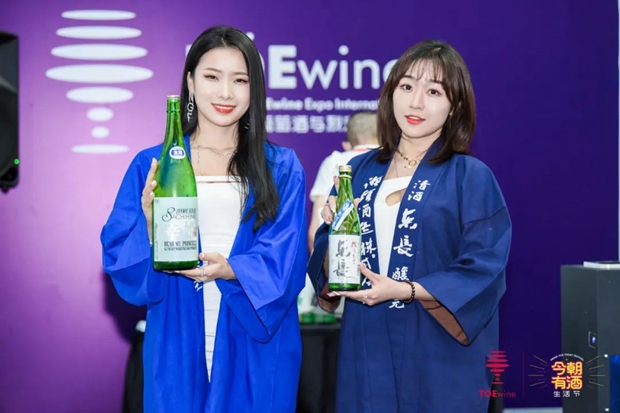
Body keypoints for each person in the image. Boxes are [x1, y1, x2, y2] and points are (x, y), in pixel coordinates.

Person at [101, 26, 307, 413]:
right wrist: (150, 227)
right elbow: (120, 259)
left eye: (240, 80)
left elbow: (288, 256)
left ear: (255, 89)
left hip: (256, 340)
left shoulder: (280, 167)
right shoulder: (154, 164)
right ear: (191, 82)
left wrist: (231, 269)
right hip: (175, 335)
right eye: (212, 77)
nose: (226, 92)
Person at [308, 39, 512, 413]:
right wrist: (335, 230)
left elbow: (485, 266)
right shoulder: (356, 171)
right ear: (391, 94)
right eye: (406, 86)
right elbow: (328, 269)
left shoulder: (470, 176)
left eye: (433, 91)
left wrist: (406, 290)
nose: (416, 102)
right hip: (367, 345)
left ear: (455, 106)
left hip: (439, 351)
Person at [307, 111, 379, 250]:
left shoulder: (334, 161)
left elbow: (315, 229)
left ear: (349, 140)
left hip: (341, 252)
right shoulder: (393, 162)